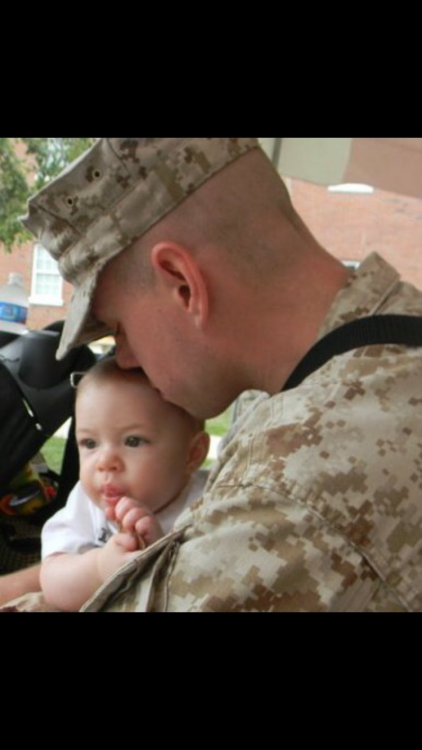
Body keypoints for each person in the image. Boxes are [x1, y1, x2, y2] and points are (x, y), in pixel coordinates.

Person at [13, 137, 422, 612]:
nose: (124, 360)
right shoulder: (368, 353)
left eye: (120, 328)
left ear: (184, 285)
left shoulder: (299, 483)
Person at [39, 357, 209, 611]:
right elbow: (52, 581)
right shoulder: (87, 504)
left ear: (192, 454)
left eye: (133, 441)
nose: (105, 462)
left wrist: (160, 556)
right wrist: (98, 568)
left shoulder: (208, 502)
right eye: (90, 443)